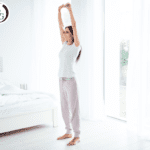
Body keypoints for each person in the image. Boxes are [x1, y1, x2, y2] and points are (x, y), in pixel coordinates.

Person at [57, 3, 82, 146]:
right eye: (64, 32)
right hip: (61, 79)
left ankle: (76, 135)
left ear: (72, 34)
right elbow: (59, 24)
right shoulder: (64, 44)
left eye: (67, 32)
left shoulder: (76, 45)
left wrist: (70, 10)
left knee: (74, 108)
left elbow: (74, 24)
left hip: (71, 80)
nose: (64, 33)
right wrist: (59, 11)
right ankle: (67, 131)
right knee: (64, 107)